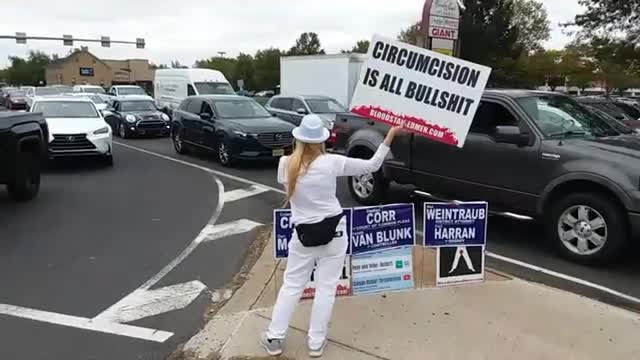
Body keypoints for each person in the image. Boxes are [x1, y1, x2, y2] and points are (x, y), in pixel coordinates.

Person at [261, 114, 404, 357]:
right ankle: (316, 343)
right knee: (326, 288)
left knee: (292, 286)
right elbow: (372, 165)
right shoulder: (332, 163)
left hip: (303, 236)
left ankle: (274, 337)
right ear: (321, 141)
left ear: (299, 139)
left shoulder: (286, 164)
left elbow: (288, 183)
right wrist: (389, 135)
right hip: (335, 232)